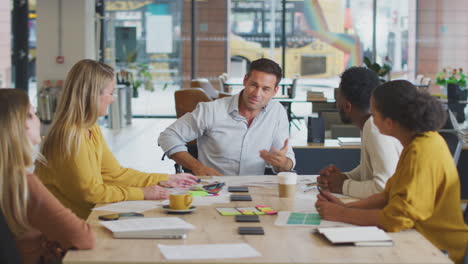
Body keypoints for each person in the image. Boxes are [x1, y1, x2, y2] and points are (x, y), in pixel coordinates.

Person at [315, 80, 468, 264]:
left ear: (388, 122)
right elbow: (387, 196)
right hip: (419, 239)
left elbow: (396, 219)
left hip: (438, 249)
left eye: (374, 113)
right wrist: (344, 207)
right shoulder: (416, 143)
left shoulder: (423, 150)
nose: (370, 118)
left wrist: (339, 214)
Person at [36, 59, 198, 219]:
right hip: (68, 225)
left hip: (85, 217)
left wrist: (165, 179)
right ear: (92, 95)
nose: (113, 99)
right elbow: (91, 193)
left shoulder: (91, 129)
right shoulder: (70, 137)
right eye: (110, 93)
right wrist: (142, 193)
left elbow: (114, 174)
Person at [0, 89, 95, 264]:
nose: (37, 119)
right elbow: (83, 238)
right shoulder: (22, 183)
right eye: (32, 113)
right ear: (22, 124)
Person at [158, 58, 295, 176]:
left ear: (275, 91)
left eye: (265, 89)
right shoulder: (212, 110)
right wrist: (197, 167)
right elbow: (168, 136)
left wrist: (282, 163)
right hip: (213, 189)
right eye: (254, 85)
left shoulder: (277, 112)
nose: (257, 94)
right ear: (245, 80)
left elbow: (287, 160)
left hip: (253, 190)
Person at [317, 67, 402, 198]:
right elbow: (370, 168)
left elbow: (384, 188)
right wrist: (344, 177)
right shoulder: (370, 123)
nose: (336, 104)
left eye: (338, 97)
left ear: (347, 106)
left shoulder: (375, 128)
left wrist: (342, 185)